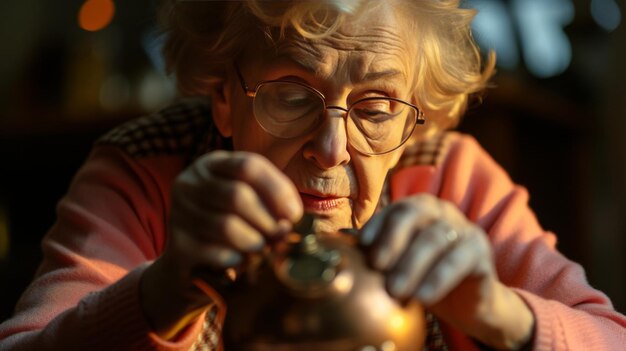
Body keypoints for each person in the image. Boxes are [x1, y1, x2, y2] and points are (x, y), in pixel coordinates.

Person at [1, 0, 625, 349]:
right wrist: (163, 289)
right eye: (292, 95)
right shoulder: (147, 167)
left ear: (416, 114)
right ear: (224, 94)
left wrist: (497, 311)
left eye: (376, 107)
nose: (331, 149)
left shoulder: (450, 178)